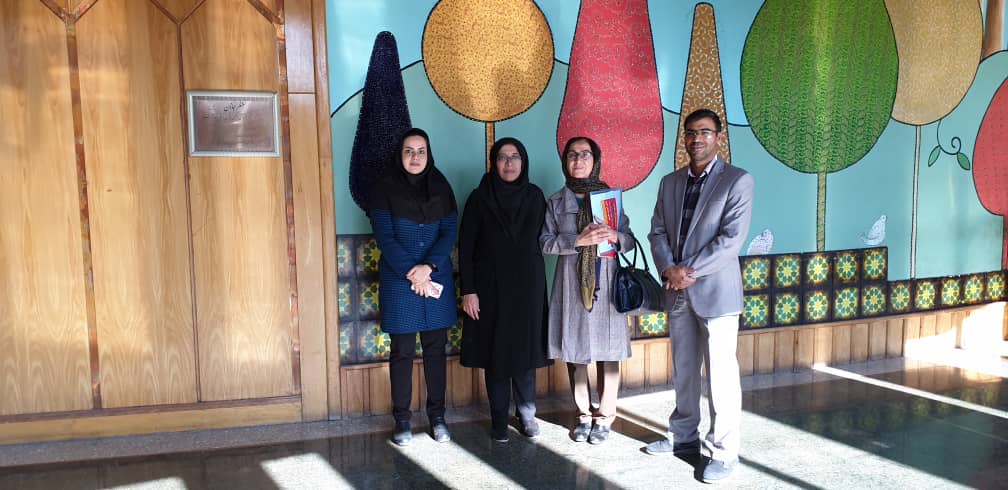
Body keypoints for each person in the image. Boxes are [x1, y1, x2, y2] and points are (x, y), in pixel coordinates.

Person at [646, 109, 754, 482]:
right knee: (684, 369)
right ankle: (683, 435)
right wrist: (668, 268)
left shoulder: (737, 181)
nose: (697, 139)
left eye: (705, 132)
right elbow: (657, 231)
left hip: (716, 294)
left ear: (718, 137)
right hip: (678, 293)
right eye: (691, 132)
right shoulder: (670, 182)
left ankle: (724, 452)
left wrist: (686, 272)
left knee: (721, 376)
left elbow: (730, 240)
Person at [540, 136, 634, 445]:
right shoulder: (556, 202)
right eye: (572, 155)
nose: (578, 160)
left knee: (609, 351)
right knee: (576, 351)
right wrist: (577, 241)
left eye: (585, 154)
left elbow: (629, 240)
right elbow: (545, 243)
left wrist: (615, 235)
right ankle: (583, 415)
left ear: (595, 160)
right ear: (565, 162)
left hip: (606, 282)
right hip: (571, 285)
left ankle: (605, 417)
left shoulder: (610, 199)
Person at [367, 128, 458, 446]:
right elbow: (385, 236)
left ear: (428, 154)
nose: (415, 157)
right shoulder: (384, 189)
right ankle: (402, 419)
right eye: (409, 151)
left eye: (421, 151)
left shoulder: (442, 186)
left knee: (436, 351)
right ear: (400, 154)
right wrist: (413, 272)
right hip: (399, 281)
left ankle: (438, 417)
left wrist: (428, 267)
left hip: (435, 277)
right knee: (402, 352)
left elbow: (449, 232)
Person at [459, 137, 552, 443]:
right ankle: (499, 418)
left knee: (525, 352)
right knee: (496, 354)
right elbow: (467, 248)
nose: (509, 163)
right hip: (490, 289)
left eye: (515, 157)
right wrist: (469, 290)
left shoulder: (535, 196)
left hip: (528, 288)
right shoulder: (479, 197)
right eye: (502, 157)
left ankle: (527, 414)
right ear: (493, 163)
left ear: (523, 162)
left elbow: (548, 238)